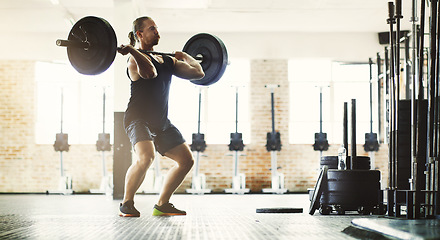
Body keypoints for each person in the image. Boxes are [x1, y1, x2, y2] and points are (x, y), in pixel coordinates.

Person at [117, 16, 205, 217]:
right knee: (146, 157)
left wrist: (184, 55)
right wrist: (132, 50)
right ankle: (126, 204)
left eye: (157, 28)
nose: (157, 32)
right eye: (152, 29)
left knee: (186, 160)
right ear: (140, 34)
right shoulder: (133, 60)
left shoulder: (167, 60)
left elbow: (198, 73)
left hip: (161, 121)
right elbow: (149, 73)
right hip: (137, 118)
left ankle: (162, 204)